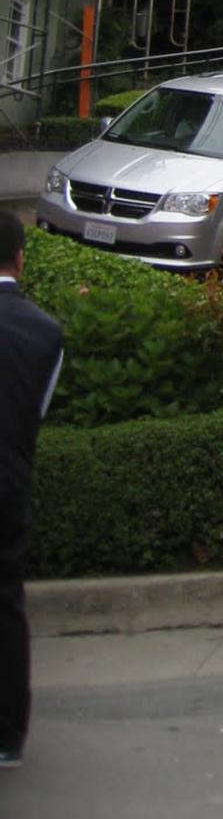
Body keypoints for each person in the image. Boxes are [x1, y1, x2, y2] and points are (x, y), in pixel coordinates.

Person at [0, 211, 64, 769]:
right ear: (20, 259)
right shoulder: (46, 332)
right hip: (9, 481)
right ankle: (7, 735)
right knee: (6, 603)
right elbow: (34, 412)